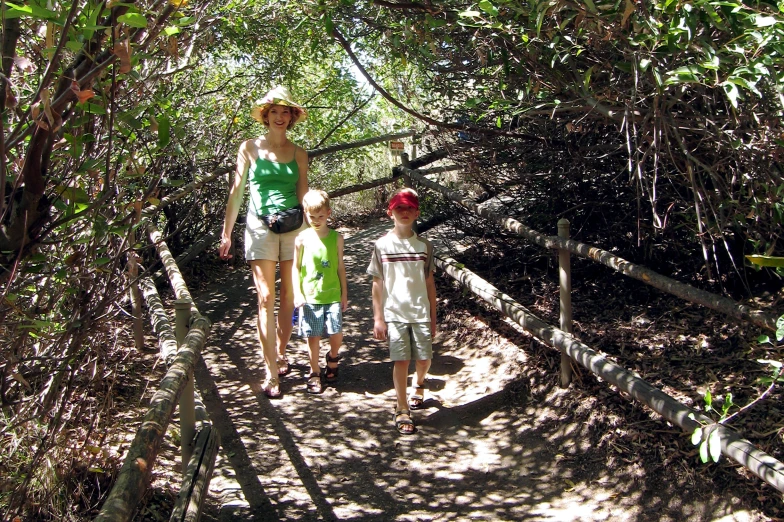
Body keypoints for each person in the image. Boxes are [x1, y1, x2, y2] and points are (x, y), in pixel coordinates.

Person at [219, 86, 308, 398]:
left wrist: (313, 235)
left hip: (294, 227)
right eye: (275, 112)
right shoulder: (249, 148)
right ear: (266, 116)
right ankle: (271, 372)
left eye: (286, 112)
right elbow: (237, 191)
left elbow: (303, 196)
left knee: (288, 296)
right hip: (259, 227)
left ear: (292, 117)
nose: (280, 117)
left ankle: (280, 352)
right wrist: (226, 232)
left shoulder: (298, 153)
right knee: (266, 297)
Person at [367, 188, 437, 434]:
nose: (404, 212)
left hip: (420, 312)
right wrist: (378, 318)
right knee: (401, 360)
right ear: (390, 213)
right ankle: (402, 407)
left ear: (417, 213)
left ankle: (418, 384)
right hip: (394, 313)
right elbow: (378, 282)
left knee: (424, 359)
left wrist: (433, 317)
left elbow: (429, 283)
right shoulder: (382, 245)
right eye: (399, 208)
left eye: (409, 208)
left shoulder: (424, 246)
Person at [292, 189, 348, 394]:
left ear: (329, 213)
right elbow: (295, 268)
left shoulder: (336, 238)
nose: (316, 220)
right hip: (310, 296)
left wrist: (344, 293)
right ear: (305, 213)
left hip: (332, 294)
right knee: (313, 335)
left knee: (336, 331)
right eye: (312, 216)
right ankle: (314, 371)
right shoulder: (301, 239)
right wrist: (297, 293)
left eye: (321, 216)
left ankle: (333, 356)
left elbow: (340, 267)